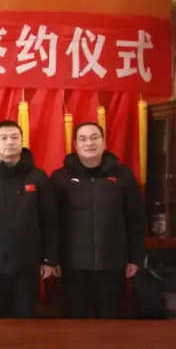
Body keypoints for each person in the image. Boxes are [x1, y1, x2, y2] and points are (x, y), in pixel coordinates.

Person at [0, 120, 57, 319]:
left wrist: (48, 259)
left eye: (14, 137)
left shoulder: (38, 177)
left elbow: (49, 221)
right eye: (4, 138)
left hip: (28, 264)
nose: (9, 142)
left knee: (24, 320)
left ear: (22, 142)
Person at [50, 122, 145, 319]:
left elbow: (135, 219)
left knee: (109, 321)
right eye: (83, 139)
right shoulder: (60, 177)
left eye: (94, 138)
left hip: (112, 263)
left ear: (104, 142)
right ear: (75, 145)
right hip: (73, 264)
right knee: (76, 320)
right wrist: (54, 258)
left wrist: (135, 257)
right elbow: (52, 222)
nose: (89, 143)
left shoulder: (123, 175)